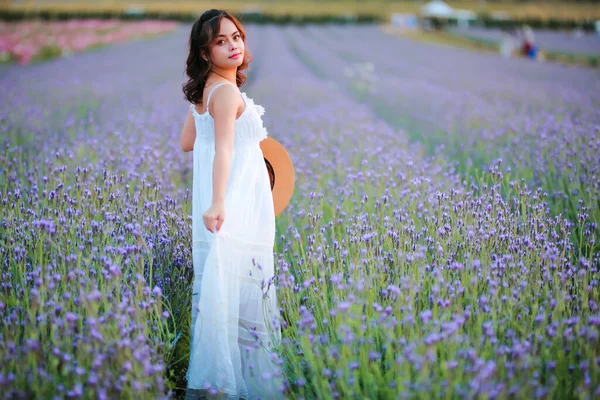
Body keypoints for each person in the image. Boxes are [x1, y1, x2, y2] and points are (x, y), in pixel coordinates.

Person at [179, 9, 285, 400]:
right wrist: (218, 201)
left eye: (236, 36)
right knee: (243, 283)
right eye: (220, 41)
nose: (233, 45)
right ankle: (231, 383)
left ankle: (226, 378)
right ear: (205, 52)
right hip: (237, 205)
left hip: (231, 199)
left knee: (223, 283)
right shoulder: (225, 93)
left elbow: (189, 143)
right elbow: (222, 149)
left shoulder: (205, 92)